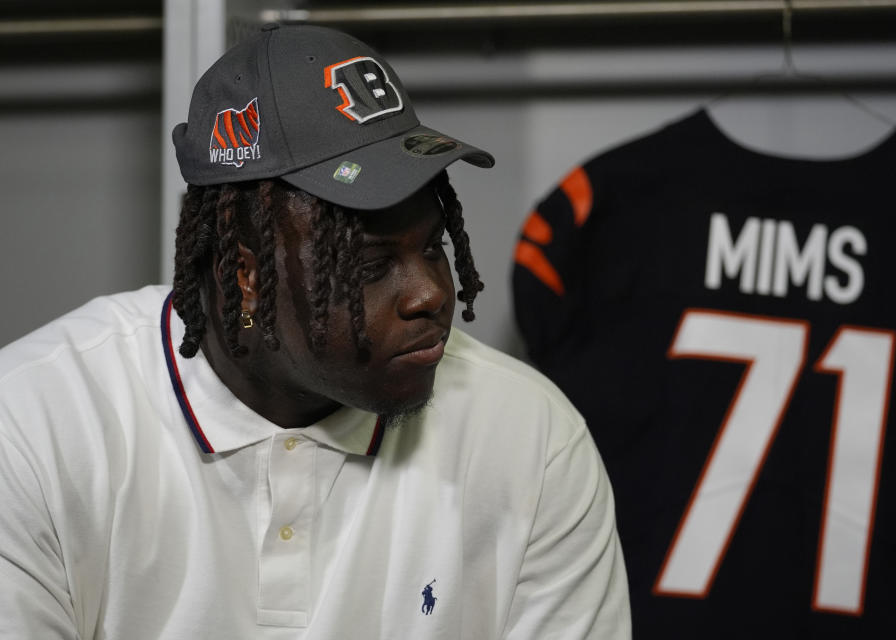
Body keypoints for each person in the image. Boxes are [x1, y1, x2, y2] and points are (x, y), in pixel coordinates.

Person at [0, 24, 630, 639]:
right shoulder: (36, 423)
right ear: (245, 275)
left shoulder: (531, 438)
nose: (431, 293)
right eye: (370, 265)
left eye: (434, 246)